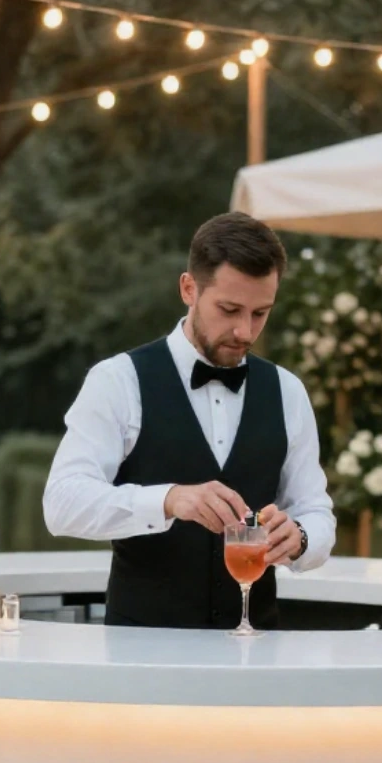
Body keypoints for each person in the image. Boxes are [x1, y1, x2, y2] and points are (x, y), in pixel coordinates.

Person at [43, 212, 335, 629]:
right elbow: (62, 504)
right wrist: (168, 499)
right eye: (229, 309)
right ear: (188, 288)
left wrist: (303, 537)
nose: (244, 331)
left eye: (260, 313)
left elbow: (316, 511)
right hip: (140, 654)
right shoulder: (117, 380)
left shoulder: (288, 392)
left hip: (256, 653)